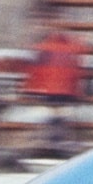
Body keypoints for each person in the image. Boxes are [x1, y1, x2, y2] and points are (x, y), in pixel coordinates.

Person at [22, 10, 87, 150]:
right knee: (61, 117)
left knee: (49, 116)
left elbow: (35, 71)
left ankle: (47, 143)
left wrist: (29, 89)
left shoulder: (43, 47)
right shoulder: (74, 46)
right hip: (66, 90)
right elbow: (78, 70)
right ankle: (59, 142)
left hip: (49, 90)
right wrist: (78, 91)